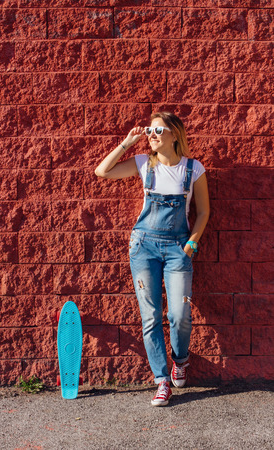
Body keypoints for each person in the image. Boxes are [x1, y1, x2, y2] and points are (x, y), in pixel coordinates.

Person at [95, 111, 210, 406]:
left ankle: (180, 360)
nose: (152, 136)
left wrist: (191, 245)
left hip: (177, 249)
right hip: (143, 247)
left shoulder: (193, 169)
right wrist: (127, 142)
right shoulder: (145, 164)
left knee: (179, 315)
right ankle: (161, 381)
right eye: (150, 131)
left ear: (174, 134)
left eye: (158, 131)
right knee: (150, 318)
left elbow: (204, 212)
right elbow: (102, 171)